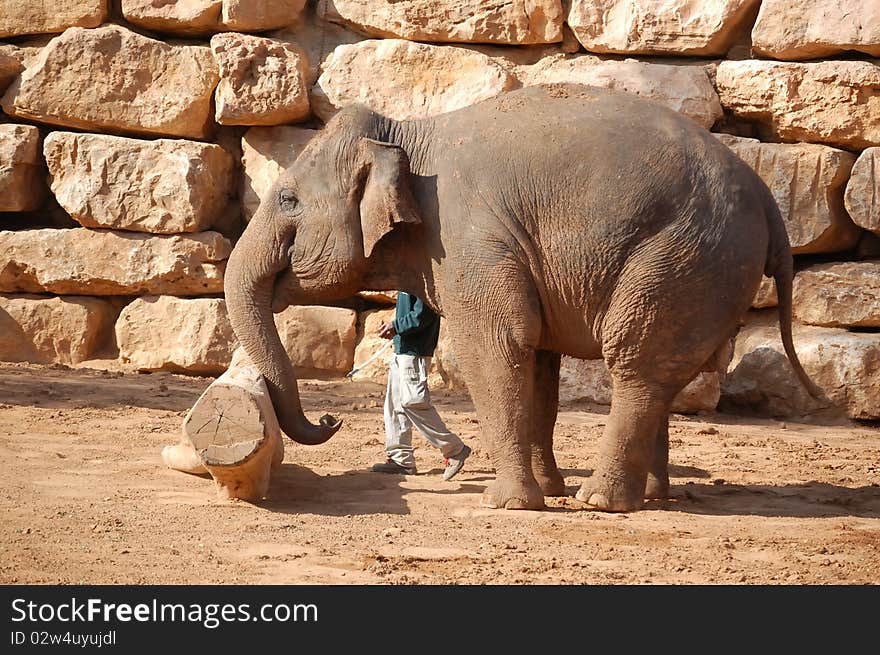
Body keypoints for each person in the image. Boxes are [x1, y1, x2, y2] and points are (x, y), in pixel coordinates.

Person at [371, 292, 471, 480]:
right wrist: (395, 328)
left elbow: (423, 315)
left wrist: (396, 326)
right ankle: (401, 459)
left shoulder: (421, 279)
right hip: (403, 349)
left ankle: (454, 449)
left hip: (415, 351)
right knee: (395, 405)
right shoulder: (407, 277)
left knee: (413, 402)